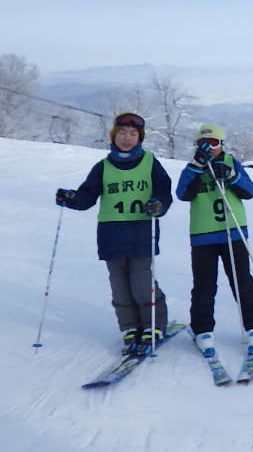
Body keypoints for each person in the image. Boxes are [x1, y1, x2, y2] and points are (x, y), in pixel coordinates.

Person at [55, 112, 172, 354]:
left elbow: (164, 190)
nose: (127, 138)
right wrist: (71, 198)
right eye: (122, 133)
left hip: (141, 231)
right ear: (113, 135)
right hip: (111, 233)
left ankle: (153, 324)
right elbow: (87, 196)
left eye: (133, 133)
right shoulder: (103, 167)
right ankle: (129, 327)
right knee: (119, 284)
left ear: (140, 137)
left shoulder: (150, 162)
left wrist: (159, 205)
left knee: (142, 282)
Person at [175, 123, 253, 357]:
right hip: (203, 235)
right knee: (204, 285)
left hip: (232, 232)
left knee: (241, 280)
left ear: (222, 145)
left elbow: (249, 191)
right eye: (202, 144)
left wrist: (232, 177)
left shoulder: (232, 163)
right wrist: (196, 167)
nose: (208, 148)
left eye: (213, 143)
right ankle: (202, 328)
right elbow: (182, 194)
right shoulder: (192, 167)